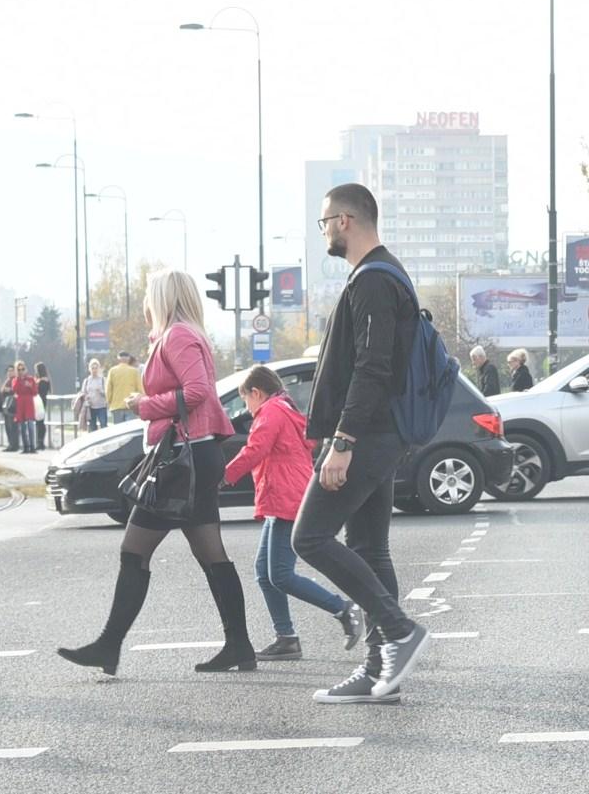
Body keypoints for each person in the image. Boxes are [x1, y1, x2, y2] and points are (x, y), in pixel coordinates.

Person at [58, 269, 250, 676]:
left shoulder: (178, 335)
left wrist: (144, 404)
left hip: (182, 460)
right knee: (209, 552)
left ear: (161, 298)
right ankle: (239, 646)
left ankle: (108, 646)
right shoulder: (183, 333)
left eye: (148, 294)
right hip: (194, 454)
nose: (145, 302)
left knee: (134, 549)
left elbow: (197, 392)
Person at [294, 183, 430, 704]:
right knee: (369, 547)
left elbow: (373, 369)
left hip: (369, 434)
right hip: (378, 432)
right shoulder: (380, 274)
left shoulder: (374, 280)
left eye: (325, 221)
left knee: (308, 539)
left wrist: (343, 440)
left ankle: (398, 631)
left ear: (346, 221)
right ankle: (380, 674)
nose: (324, 230)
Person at [222, 365, 364, 661]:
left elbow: (255, 449)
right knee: (265, 573)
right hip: (283, 496)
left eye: (246, 400)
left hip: (286, 497)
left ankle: (344, 609)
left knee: (281, 575)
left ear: (256, 393)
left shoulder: (271, 412)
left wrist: (224, 475)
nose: (247, 409)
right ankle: (286, 638)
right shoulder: (285, 408)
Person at [107, 351, 144, 425]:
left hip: (116, 405)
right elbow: (140, 389)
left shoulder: (112, 371)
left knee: (118, 431)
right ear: (128, 359)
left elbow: (108, 389)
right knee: (129, 430)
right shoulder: (134, 371)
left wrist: (109, 402)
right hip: (130, 405)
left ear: (118, 359)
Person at [12, 361, 39, 454]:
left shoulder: (31, 379)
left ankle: (33, 446)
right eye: (19, 369)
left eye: (22, 369)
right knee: (22, 427)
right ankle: (25, 446)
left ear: (26, 369)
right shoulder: (15, 380)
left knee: (31, 426)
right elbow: (15, 390)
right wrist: (20, 379)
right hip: (20, 403)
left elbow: (35, 392)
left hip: (29, 403)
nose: (21, 371)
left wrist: (30, 386)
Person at [81, 359, 108, 431]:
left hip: (101, 407)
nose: (94, 370)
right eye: (92, 368)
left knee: (103, 425)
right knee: (92, 427)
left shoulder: (102, 379)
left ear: (99, 369)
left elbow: (107, 393)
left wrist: (101, 391)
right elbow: (83, 392)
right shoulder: (87, 380)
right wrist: (86, 397)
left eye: (96, 368)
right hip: (90, 407)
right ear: (90, 369)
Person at [0, 365, 19, 452]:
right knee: (8, 427)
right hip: (6, 407)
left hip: (13, 407)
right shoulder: (7, 381)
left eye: (12, 370)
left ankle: (14, 445)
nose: (10, 372)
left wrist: (10, 390)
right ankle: (10, 444)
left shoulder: (16, 380)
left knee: (13, 427)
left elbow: (17, 391)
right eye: (8, 371)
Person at [35, 362, 51, 450]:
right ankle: (39, 441)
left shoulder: (43, 381)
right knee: (39, 422)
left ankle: (40, 442)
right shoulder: (42, 380)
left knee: (40, 422)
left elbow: (41, 392)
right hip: (40, 402)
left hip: (40, 402)